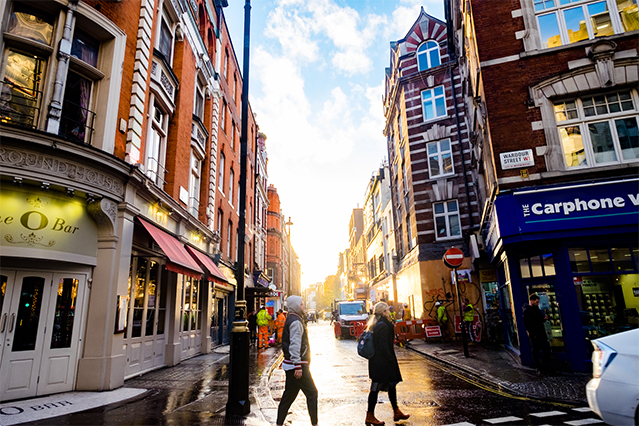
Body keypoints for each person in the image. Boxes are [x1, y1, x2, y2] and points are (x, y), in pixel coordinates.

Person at [365, 302, 409, 426]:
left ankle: (396, 411)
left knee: (391, 385)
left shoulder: (375, 324)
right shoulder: (383, 325)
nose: (389, 313)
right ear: (383, 312)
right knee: (375, 388)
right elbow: (384, 346)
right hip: (383, 362)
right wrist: (390, 360)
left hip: (377, 361)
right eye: (387, 311)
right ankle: (370, 415)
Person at [277, 296, 318, 426]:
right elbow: (295, 345)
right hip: (297, 366)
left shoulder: (292, 318)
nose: (303, 306)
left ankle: (278, 423)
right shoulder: (295, 321)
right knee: (312, 393)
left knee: (289, 396)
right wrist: (298, 365)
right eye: (301, 304)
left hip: (291, 365)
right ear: (295, 306)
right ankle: (315, 424)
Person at [523, 294, 551, 376]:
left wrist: (543, 319)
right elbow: (527, 324)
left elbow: (538, 321)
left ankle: (544, 366)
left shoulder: (537, 309)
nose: (537, 303)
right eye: (536, 302)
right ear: (531, 301)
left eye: (538, 302)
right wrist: (532, 334)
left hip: (541, 333)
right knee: (535, 351)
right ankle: (538, 367)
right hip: (535, 334)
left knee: (546, 349)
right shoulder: (527, 311)